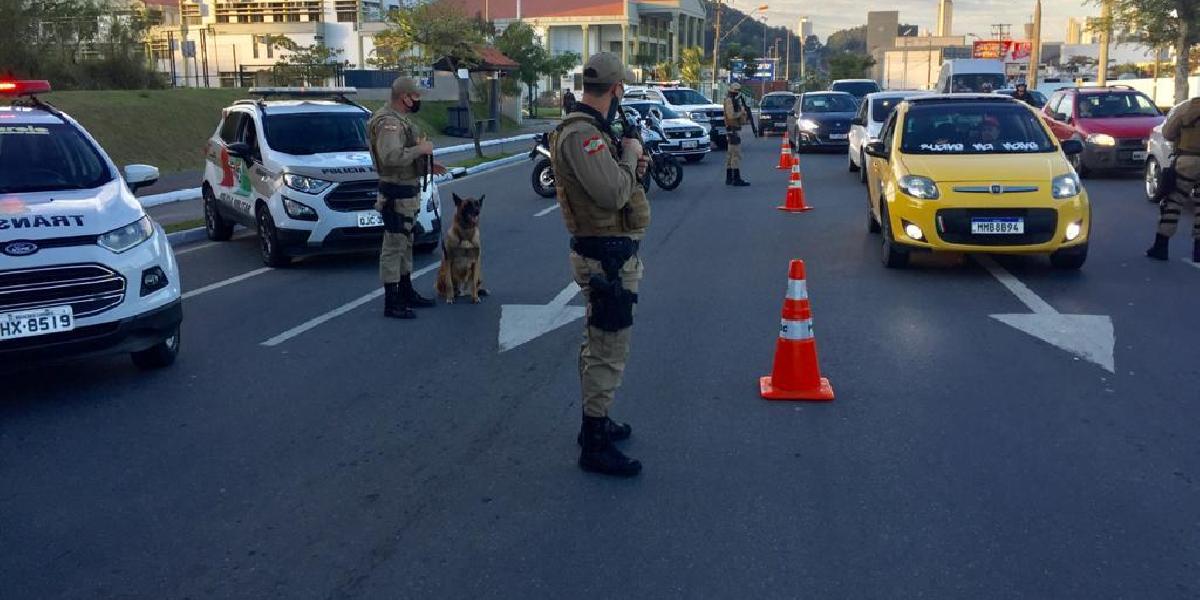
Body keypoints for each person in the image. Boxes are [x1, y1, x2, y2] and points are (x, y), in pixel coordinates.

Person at [550, 52, 650, 477]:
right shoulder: (583, 135)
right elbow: (611, 195)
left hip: (609, 249)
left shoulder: (592, 131)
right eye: (622, 87)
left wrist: (631, 164)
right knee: (609, 349)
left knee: (599, 343)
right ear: (615, 89)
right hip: (605, 256)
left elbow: (614, 185)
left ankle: (598, 419)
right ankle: (594, 442)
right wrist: (629, 157)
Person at [368, 77, 447, 319]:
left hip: (406, 191)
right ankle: (392, 302)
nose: (418, 101)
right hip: (396, 193)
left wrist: (425, 165)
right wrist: (420, 150)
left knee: (406, 245)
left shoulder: (399, 120)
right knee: (393, 247)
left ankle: (405, 291)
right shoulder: (388, 123)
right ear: (405, 97)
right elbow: (391, 157)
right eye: (417, 97)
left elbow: (402, 158)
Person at [1147, 96, 1200, 262]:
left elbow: (1168, 133)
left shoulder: (1188, 108)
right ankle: (1198, 251)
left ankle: (1161, 246)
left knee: (1173, 203)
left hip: (1187, 160)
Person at [723, 83, 752, 186]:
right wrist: (742, 113)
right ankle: (736, 179)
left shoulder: (731, 100)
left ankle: (729, 178)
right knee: (735, 155)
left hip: (732, 129)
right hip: (732, 129)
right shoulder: (730, 100)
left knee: (731, 155)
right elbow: (731, 116)